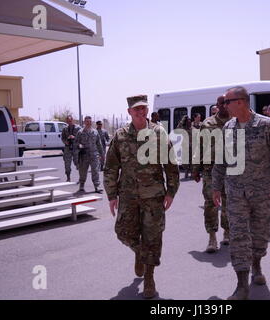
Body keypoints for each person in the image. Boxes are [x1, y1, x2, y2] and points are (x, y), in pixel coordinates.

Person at [212, 86, 270, 300]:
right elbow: (221, 160)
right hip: (235, 193)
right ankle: (241, 285)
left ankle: (257, 265)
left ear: (240, 102)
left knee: (260, 235)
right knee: (239, 236)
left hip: (262, 193)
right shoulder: (228, 128)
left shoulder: (265, 125)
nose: (223, 106)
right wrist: (215, 186)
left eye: (227, 102)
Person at [104, 94, 180, 299]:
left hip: (153, 196)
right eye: (136, 109)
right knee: (123, 232)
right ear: (129, 112)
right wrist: (111, 195)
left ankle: (149, 278)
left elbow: (171, 165)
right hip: (128, 196)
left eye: (143, 108)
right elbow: (111, 167)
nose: (141, 112)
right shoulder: (120, 136)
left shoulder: (158, 132)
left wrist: (171, 191)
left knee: (153, 236)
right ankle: (139, 252)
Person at [192, 96, 230, 253]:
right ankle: (212, 237)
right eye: (220, 103)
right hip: (211, 171)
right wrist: (195, 168)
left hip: (232, 171)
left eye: (226, 103)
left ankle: (227, 232)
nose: (223, 106)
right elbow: (199, 146)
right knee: (210, 204)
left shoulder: (238, 122)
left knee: (230, 204)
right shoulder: (207, 123)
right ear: (217, 105)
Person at [74, 116, 104, 193]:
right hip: (84, 155)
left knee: (95, 171)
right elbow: (76, 144)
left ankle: (96, 187)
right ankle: (81, 186)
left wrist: (102, 154)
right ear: (84, 122)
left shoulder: (95, 132)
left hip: (94, 155)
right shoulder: (80, 132)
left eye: (90, 121)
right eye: (87, 121)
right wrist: (79, 147)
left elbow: (99, 144)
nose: (88, 123)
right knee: (83, 171)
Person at [61, 115, 81, 182]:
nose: (69, 122)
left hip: (76, 148)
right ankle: (68, 177)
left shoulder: (78, 128)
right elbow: (63, 138)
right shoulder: (65, 129)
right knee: (67, 164)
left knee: (78, 163)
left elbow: (82, 137)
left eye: (70, 121)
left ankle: (81, 178)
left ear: (72, 120)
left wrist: (74, 137)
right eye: (68, 121)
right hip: (68, 148)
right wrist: (66, 142)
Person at [177, 115, 193, 179]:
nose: (189, 123)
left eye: (190, 122)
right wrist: (182, 120)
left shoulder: (192, 128)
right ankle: (186, 170)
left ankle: (190, 173)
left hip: (192, 147)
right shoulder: (183, 129)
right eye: (188, 122)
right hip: (185, 147)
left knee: (192, 161)